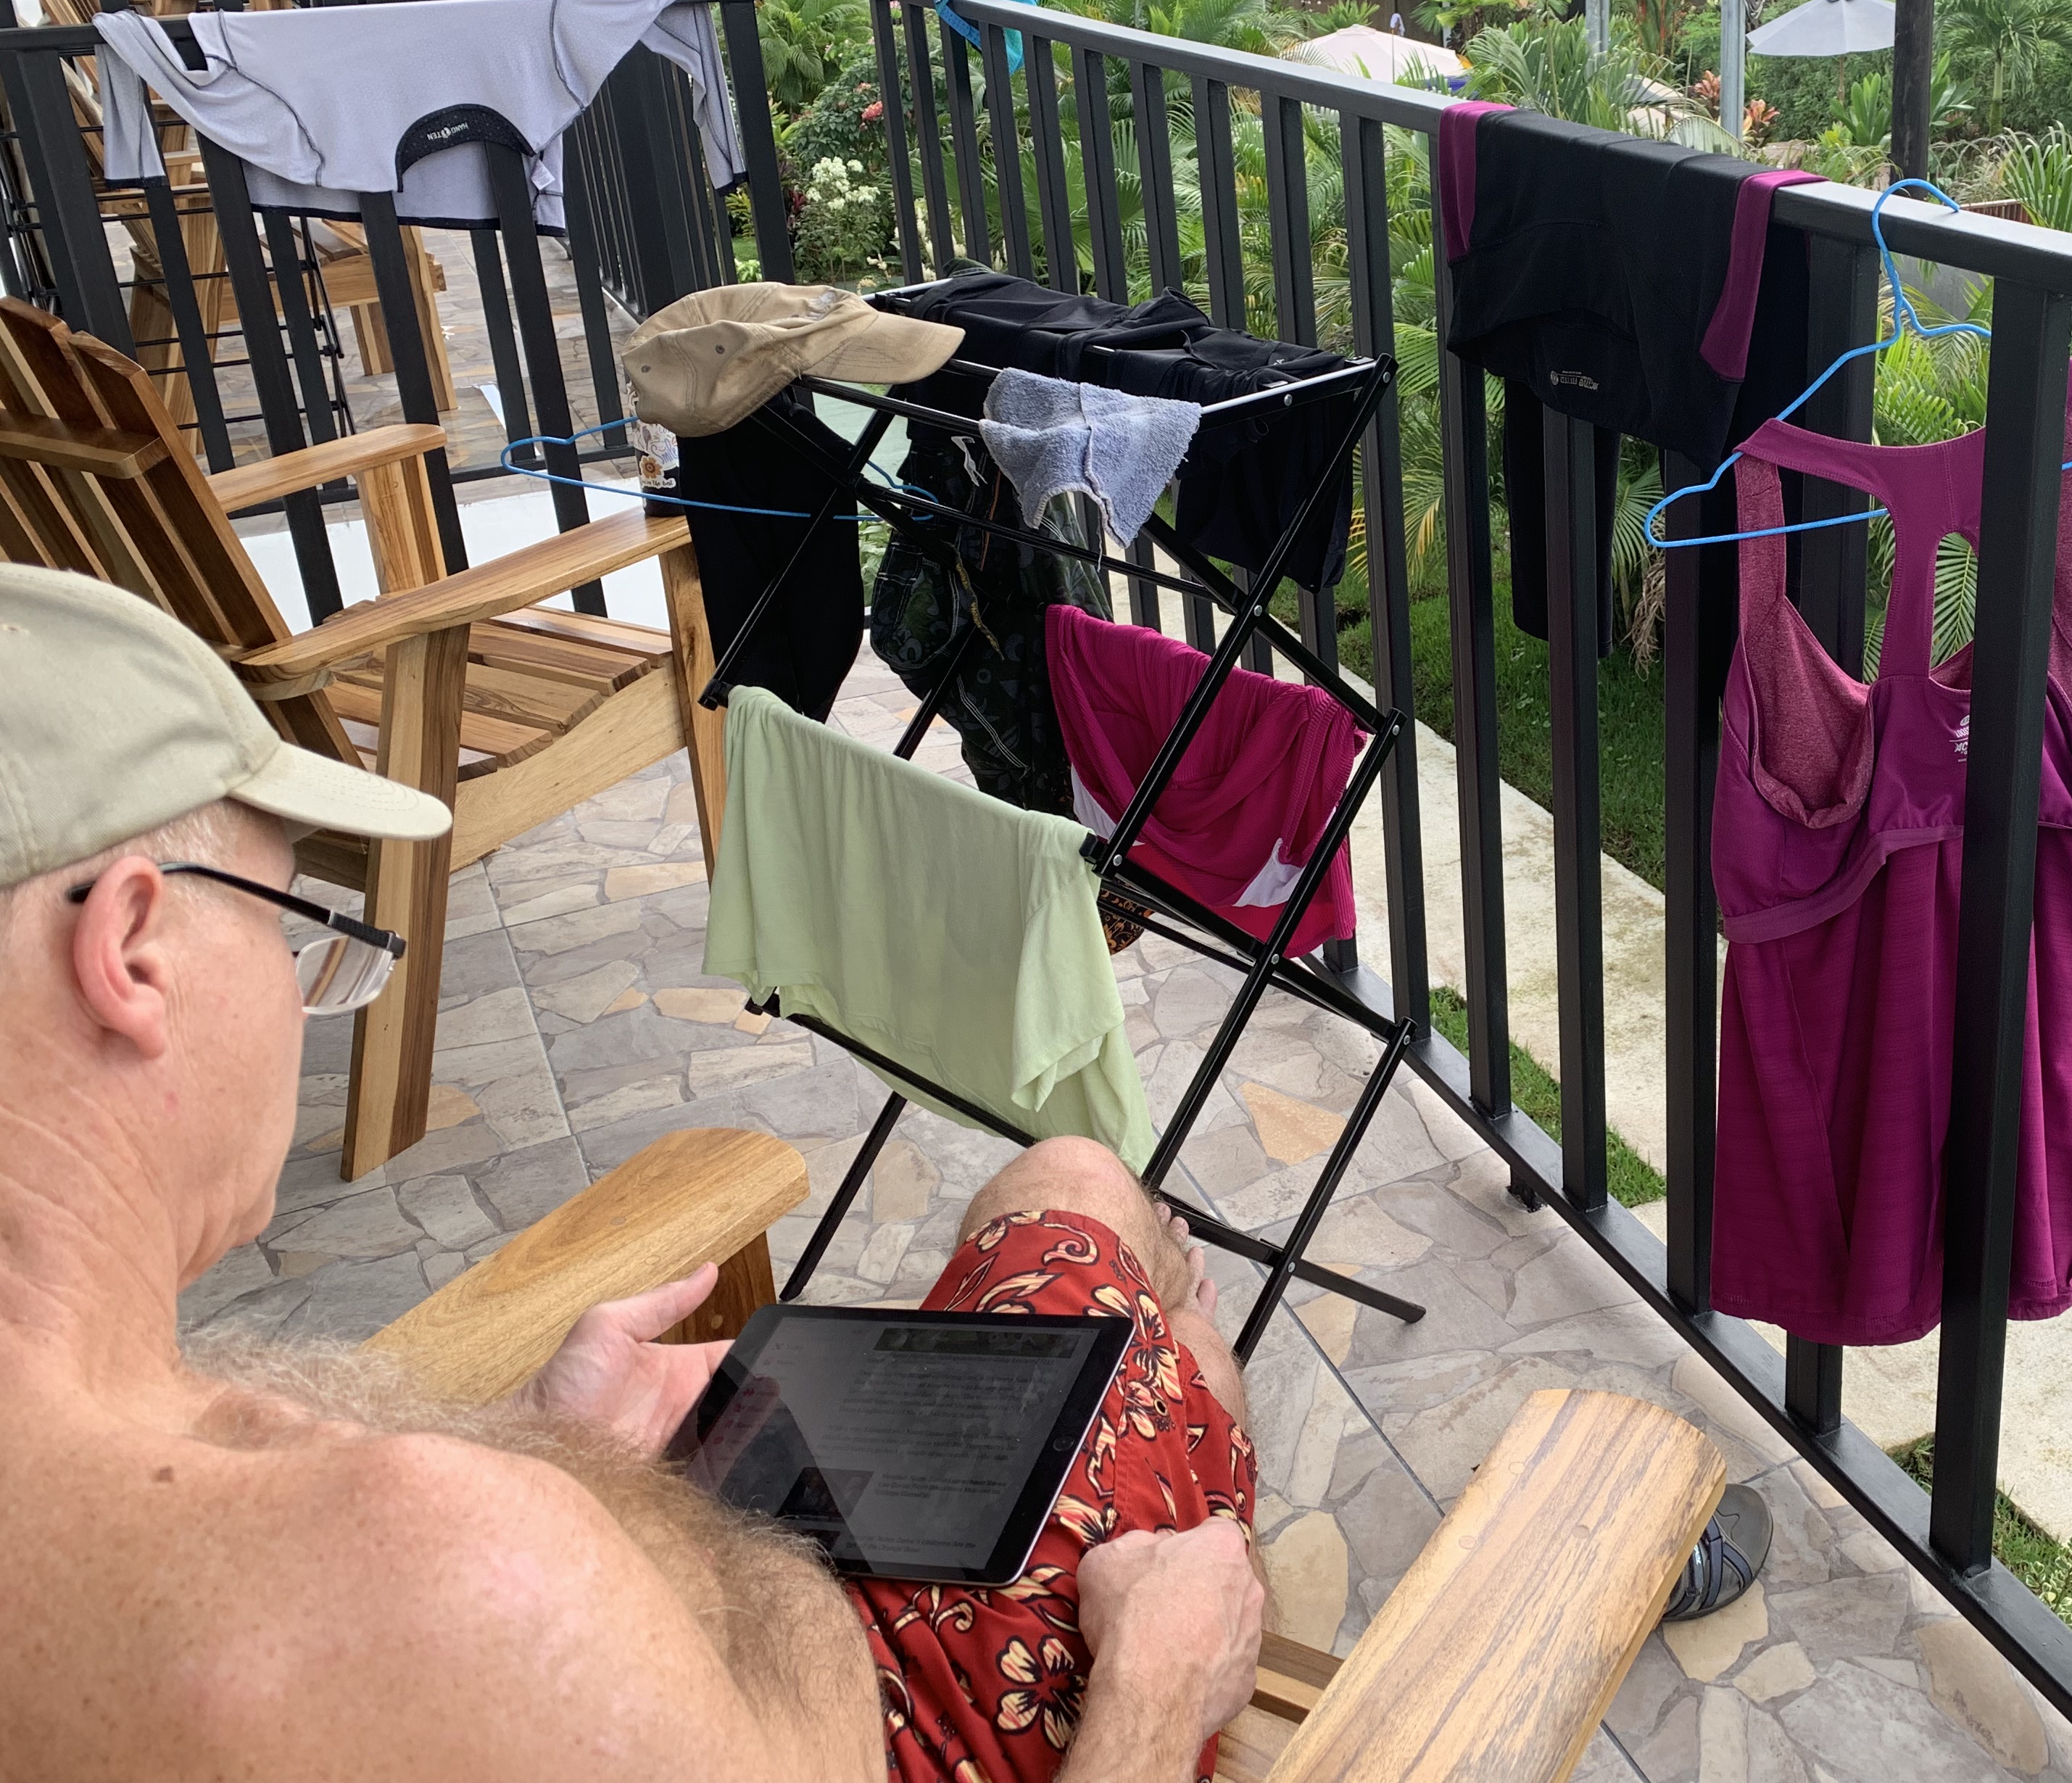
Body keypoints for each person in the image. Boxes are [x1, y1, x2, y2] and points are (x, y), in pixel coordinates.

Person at [0, 565, 1266, 1782]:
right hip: (920, 1724)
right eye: (291, 927)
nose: (296, 993)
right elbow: (452, 1631)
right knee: (1110, 1230)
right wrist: (1159, 1689)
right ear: (134, 951)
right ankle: (1197, 1411)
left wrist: (561, 1453)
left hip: (736, 1613)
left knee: (1082, 1237)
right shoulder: (438, 1578)